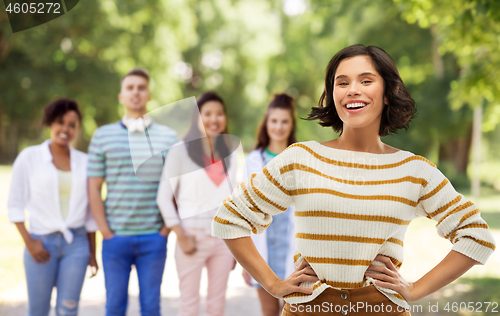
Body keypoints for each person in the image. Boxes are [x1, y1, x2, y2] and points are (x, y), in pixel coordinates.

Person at [211, 45, 496, 316]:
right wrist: (272, 284)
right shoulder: (300, 159)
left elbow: (475, 235)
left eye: (366, 80)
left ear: (388, 92)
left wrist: (416, 289)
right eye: (342, 82)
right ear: (332, 94)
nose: (353, 90)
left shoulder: (414, 171)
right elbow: (230, 217)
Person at [87, 68, 178, 316]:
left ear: (148, 94)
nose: (135, 92)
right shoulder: (102, 136)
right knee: (114, 307)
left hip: (153, 238)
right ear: (121, 96)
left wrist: (164, 231)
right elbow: (93, 188)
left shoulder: (168, 137)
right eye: (130, 87)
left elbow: (176, 188)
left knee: (151, 307)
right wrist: (105, 232)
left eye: (141, 87)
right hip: (115, 238)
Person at [8, 98, 98, 316]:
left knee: (68, 310)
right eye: (60, 122)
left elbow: (89, 213)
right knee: (38, 311)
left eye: (72, 124)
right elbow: (15, 204)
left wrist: (93, 253)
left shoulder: (85, 162)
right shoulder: (29, 158)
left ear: (77, 129)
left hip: (76, 245)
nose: (65, 129)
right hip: (41, 244)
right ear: (50, 123)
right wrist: (29, 242)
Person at [157, 91, 238, 316]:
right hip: (191, 236)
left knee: (217, 305)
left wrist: (236, 246)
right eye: (207, 114)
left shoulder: (230, 154)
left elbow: (235, 203)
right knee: (189, 305)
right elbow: (163, 197)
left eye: (219, 114)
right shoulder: (180, 151)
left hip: (223, 242)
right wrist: (180, 236)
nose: (214, 119)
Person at [241, 93, 297, 316]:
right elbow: (245, 212)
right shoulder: (252, 160)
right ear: (266, 124)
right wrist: (246, 263)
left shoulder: (299, 157)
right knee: (269, 313)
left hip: (293, 253)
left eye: (284, 121)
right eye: (274, 121)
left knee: (293, 312)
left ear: (291, 124)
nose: (279, 126)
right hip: (262, 252)